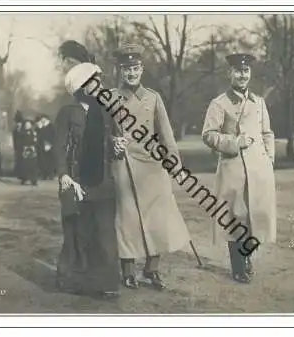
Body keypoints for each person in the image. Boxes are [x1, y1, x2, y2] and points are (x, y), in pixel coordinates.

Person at [110, 44, 190, 290]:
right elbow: (101, 131)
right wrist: (112, 141)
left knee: (158, 217)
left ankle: (152, 269)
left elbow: (166, 133)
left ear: (141, 69)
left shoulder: (153, 97)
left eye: (135, 68)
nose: (131, 73)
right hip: (124, 163)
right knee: (127, 217)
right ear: (120, 71)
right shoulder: (111, 97)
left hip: (153, 164)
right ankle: (127, 270)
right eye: (126, 69)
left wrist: (174, 161)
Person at [201, 53, 277, 284]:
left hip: (258, 169)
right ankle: (238, 266)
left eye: (245, 71)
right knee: (236, 218)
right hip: (233, 168)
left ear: (250, 74)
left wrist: (269, 159)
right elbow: (208, 135)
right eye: (237, 71)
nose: (242, 75)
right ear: (229, 74)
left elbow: (267, 133)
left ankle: (247, 256)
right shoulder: (219, 103)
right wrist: (235, 143)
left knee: (257, 217)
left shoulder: (259, 101)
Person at [54, 62, 121, 299]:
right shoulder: (67, 113)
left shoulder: (106, 110)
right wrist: (64, 175)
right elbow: (60, 148)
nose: (99, 85)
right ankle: (71, 280)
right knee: (77, 234)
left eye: (100, 81)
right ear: (82, 86)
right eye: (95, 81)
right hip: (76, 181)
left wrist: (117, 145)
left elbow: (112, 142)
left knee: (104, 233)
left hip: (103, 181)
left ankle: (106, 282)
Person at [21, 118, 39, 186]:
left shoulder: (34, 132)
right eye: (26, 124)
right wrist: (24, 147)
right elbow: (20, 142)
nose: (27, 126)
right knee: (25, 165)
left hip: (32, 150)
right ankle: (25, 179)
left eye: (29, 124)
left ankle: (33, 180)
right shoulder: (22, 133)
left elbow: (36, 141)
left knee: (33, 165)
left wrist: (33, 146)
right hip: (25, 150)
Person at [38, 115, 56, 180]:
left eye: (44, 119)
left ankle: (51, 174)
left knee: (50, 161)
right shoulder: (40, 127)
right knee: (43, 161)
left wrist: (50, 144)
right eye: (42, 119)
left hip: (50, 146)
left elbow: (53, 136)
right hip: (42, 146)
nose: (42, 120)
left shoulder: (51, 126)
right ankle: (44, 174)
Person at [12, 111, 25, 181]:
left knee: (23, 161)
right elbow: (14, 139)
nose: (18, 124)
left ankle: (23, 175)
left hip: (23, 147)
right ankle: (19, 174)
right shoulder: (15, 129)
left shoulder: (23, 129)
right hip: (18, 147)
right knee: (19, 160)